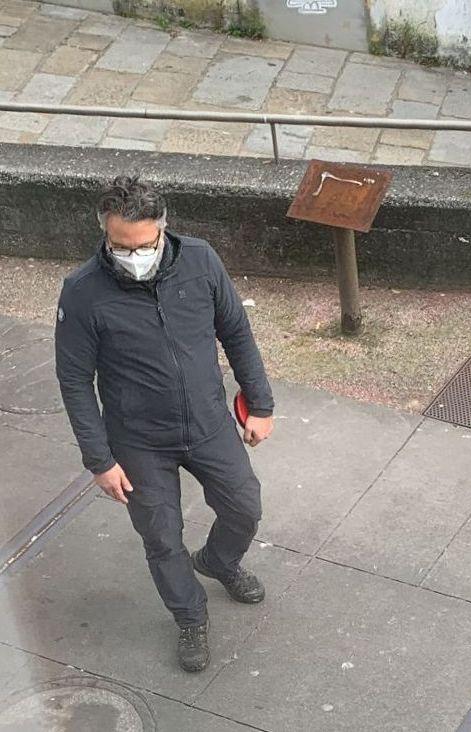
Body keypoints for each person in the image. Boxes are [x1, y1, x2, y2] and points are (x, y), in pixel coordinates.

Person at [55, 176, 275, 673]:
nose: (132, 256)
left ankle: (219, 561)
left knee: (245, 505)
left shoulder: (200, 260)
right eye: (119, 246)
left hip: (207, 422)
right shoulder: (83, 291)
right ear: (105, 235)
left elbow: (236, 332)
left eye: (143, 245)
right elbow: (74, 381)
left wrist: (259, 404)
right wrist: (99, 460)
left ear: (163, 228)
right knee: (161, 536)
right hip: (137, 442)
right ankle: (189, 615)